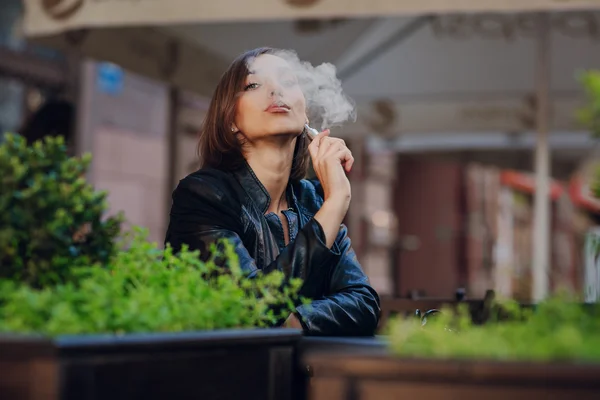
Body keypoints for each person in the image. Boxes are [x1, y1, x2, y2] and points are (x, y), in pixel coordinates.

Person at [165, 47, 380, 336]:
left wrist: (294, 321)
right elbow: (249, 308)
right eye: (253, 84)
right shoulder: (204, 194)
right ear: (230, 120)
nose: (275, 90)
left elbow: (364, 304)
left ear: (305, 115)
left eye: (288, 82)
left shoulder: (314, 199)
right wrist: (336, 202)